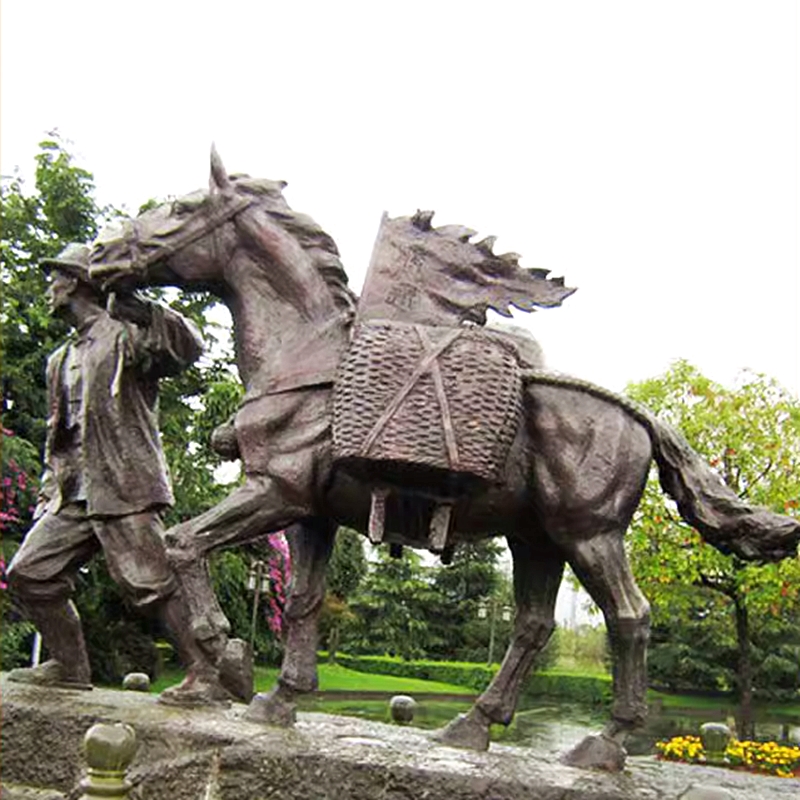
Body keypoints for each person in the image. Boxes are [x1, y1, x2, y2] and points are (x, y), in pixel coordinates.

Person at [6, 242, 244, 705]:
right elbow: (61, 434)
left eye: (56, 278)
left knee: (151, 581)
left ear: (75, 282)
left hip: (124, 483)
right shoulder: (58, 359)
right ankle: (70, 667)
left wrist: (142, 306)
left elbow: (188, 344)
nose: (49, 288)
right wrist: (49, 488)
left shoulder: (124, 336)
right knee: (30, 573)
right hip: (73, 491)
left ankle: (206, 672)